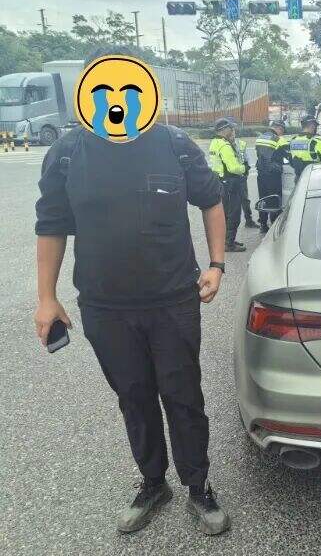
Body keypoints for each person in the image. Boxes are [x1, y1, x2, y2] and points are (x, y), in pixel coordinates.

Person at [33, 47, 230, 537]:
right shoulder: (67, 154)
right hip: (105, 307)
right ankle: (153, 483)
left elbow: (211, 200)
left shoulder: (174, 145)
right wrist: (46, 297)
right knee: (134, 397)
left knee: (183, 396)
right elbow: (51, 225)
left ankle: (198, 486)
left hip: (173, 301)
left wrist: (217, 264)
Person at [209, 118, 248, 252]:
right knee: (234, 215)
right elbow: (233, 168)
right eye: (231, 128)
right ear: (224, 129)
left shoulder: (215, 142)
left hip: (221, 182)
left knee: (225, 214)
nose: (233, 130)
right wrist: (244, 168)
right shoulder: (225, 146)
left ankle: (227, 240)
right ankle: (229, 244)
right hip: (231, 183)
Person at [255, 120, 291, 233]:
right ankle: (275, 225)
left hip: (261, 174)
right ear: (279, 128)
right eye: (283, 131)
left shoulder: (260, 138)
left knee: (263, 199)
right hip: (273, 174)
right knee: (275, 199)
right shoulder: (279, 140)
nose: (282, 133)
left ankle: (263, 224)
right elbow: (288, 155)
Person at [233, 130, 258, 229]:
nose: (232, 133)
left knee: (245, 199)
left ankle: (249, 220)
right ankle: (229, 225)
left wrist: (246, 170)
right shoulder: (222, 144)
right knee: (232, 202)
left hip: (241, 176)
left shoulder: (241, 144)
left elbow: (246, 159)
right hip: (229, 177)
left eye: (233, 131)